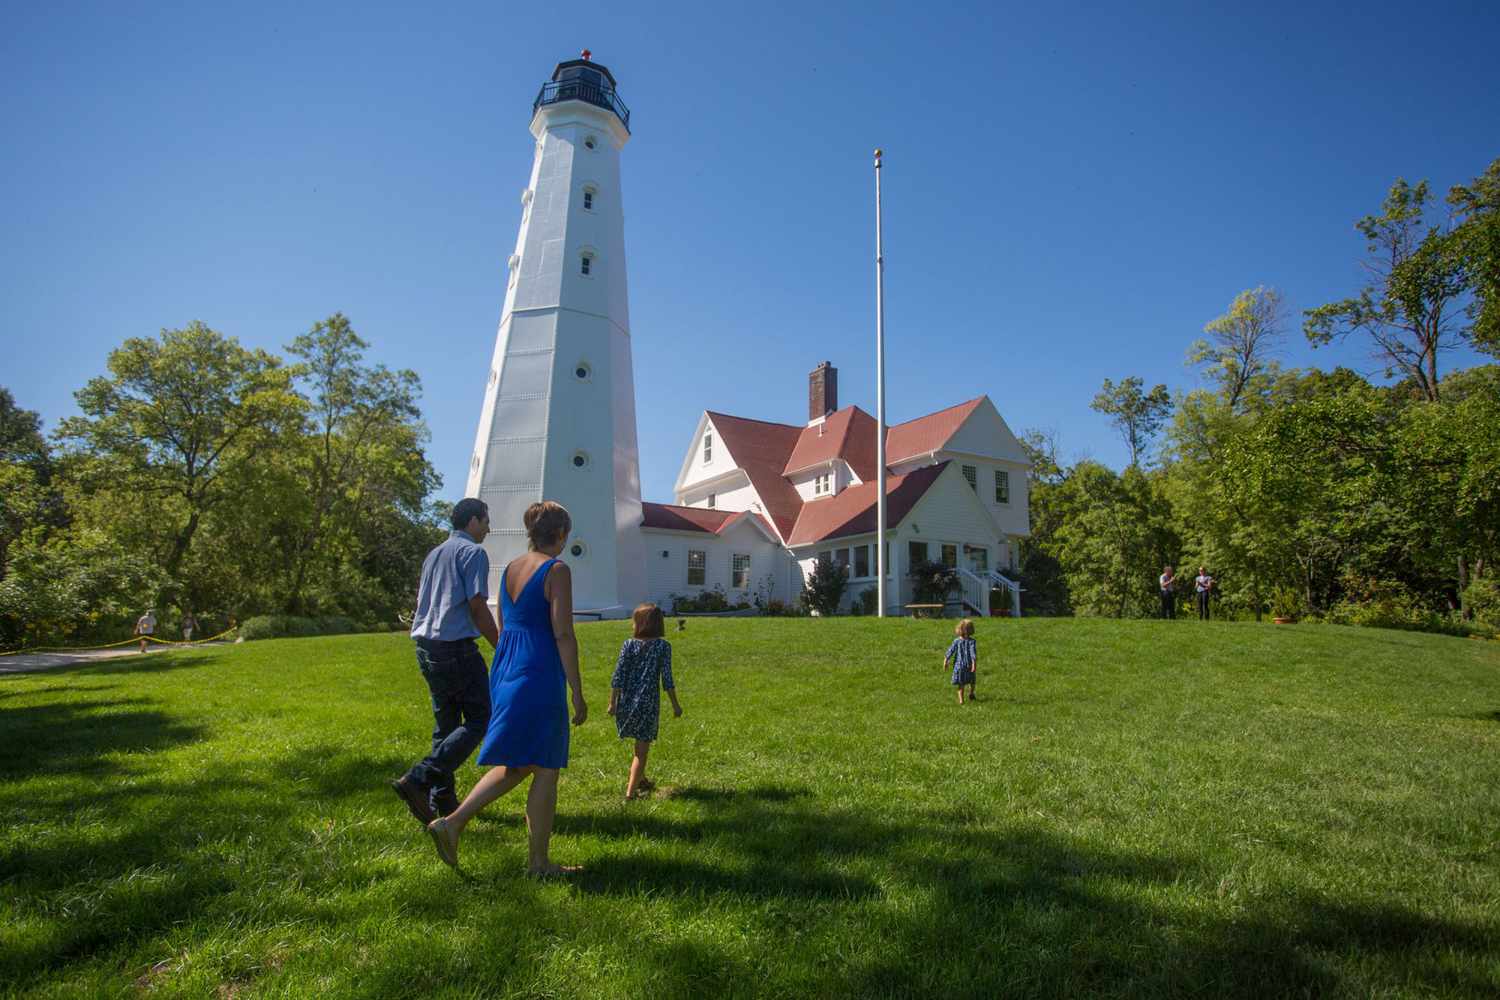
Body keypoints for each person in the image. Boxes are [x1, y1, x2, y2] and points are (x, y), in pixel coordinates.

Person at [426, 500, 588, 877]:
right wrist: (577, 692)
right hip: (539, 670)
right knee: (545, 766)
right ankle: (536, 862)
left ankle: (456, 825)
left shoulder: (511, 568)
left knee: (522, 762)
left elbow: (503, 620)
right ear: (561, 534)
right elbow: (562, 632)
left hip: (507, 667)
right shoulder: (557, 570)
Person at [391, 498, 499, 825]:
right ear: (473, 521)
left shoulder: (434, 553)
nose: (489, 528)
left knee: (447, 724)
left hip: (425, 645)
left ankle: (443, 801)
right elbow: (477, 605)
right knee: (481, 717)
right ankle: (420, 778)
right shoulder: (473, 553)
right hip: (455, 646)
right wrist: (500, 646)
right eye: (486, 520)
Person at [608, 603, 682, 800]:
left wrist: (612, 702)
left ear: (641, 624)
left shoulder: (628, 645)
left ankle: (642, 780)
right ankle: (630, 795)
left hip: (626, 703)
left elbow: (618, 675)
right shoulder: (662, 647)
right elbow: (667, 679)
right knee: (641, 752)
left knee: (638, 747)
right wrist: (675, 705)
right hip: (647, 705)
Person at [944, 618, 978, 704]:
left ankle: (971, 693)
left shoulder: (971, 642)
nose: (965, 631)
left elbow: (973, 653)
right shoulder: (957, 641)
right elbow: (951, 650)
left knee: (971, 682)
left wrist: (974, 664)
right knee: (961, 683)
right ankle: (961, 700)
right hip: (960, 666)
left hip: (968, 666)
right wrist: (946, 660)